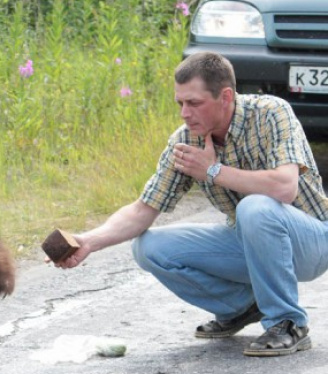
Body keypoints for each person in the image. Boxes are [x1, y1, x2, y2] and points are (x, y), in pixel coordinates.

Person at [47, 51, 328, 357]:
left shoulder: (271, 112)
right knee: (149, 247)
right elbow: (143, 210)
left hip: (311, 241)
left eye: (194, 103)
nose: (184, 112)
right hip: (250, 241)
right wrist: (88, 241)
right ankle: (243, 306)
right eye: (180, 103)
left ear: (225, 96)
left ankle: (288, 323)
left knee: (255, 208)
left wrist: (213, 171)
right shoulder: (186, 141)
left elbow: (284, 188)